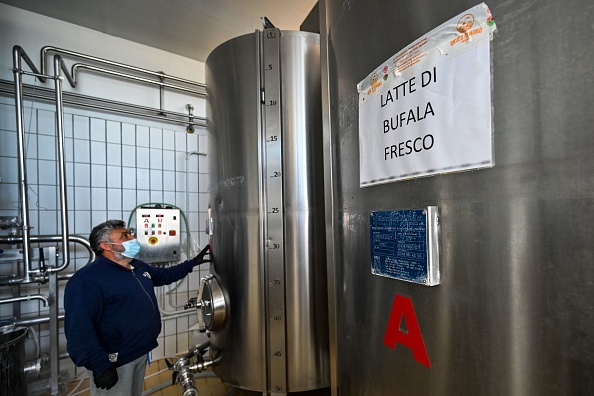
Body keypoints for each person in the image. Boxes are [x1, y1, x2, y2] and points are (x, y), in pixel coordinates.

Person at [64, 219, 210, 395]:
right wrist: (100, 365)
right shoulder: (87, 280)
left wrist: (192, 263)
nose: (132, 237)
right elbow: (79, 328)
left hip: (140, 351)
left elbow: (164, 276)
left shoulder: (136, 266)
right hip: (116, 361)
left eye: (130, 233)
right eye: (124, 236)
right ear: (106, 246)